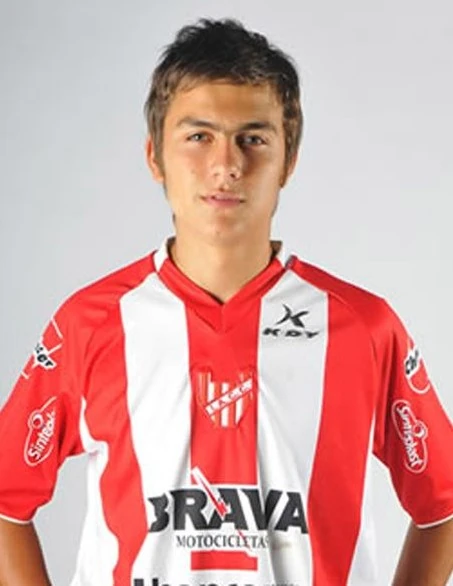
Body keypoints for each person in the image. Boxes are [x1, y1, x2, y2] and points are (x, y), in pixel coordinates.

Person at [0, 17, 452, 586]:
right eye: (199, 137)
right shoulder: (90, 324)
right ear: (154, 157)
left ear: (289, 160)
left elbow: (444, 502)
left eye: (253, 139)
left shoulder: (365, 328)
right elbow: (6, 499)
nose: (226, 165)